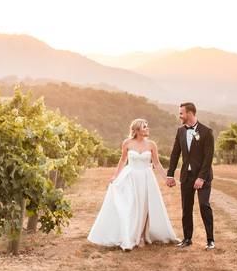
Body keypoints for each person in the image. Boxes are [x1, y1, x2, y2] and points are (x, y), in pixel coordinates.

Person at [87, 118, 180, 250]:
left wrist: (166, 178)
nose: (147, 128)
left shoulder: (152, 145)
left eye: (147, 126)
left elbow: (157, 163)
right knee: (131, 206)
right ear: (136, 130)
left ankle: (142, 236)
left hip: (146, 177)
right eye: (144, 127)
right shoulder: (127, 143)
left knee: (145, 206)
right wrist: (115, 176)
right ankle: (129, 235)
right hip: (130, 176)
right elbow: (122, 161)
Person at [166, 102, 215, 249]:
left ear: (190, 113)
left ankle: (210, 240)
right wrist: (170, 174)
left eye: (181, 113)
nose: (179, 115)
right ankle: (187, 238)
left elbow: (208, 157)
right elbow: (175, 154)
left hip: (203, 176)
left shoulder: (206, 132)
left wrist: (201, 177)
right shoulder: (180, 131)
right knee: (186, 208)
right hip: (186, 177)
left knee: (204, 206)